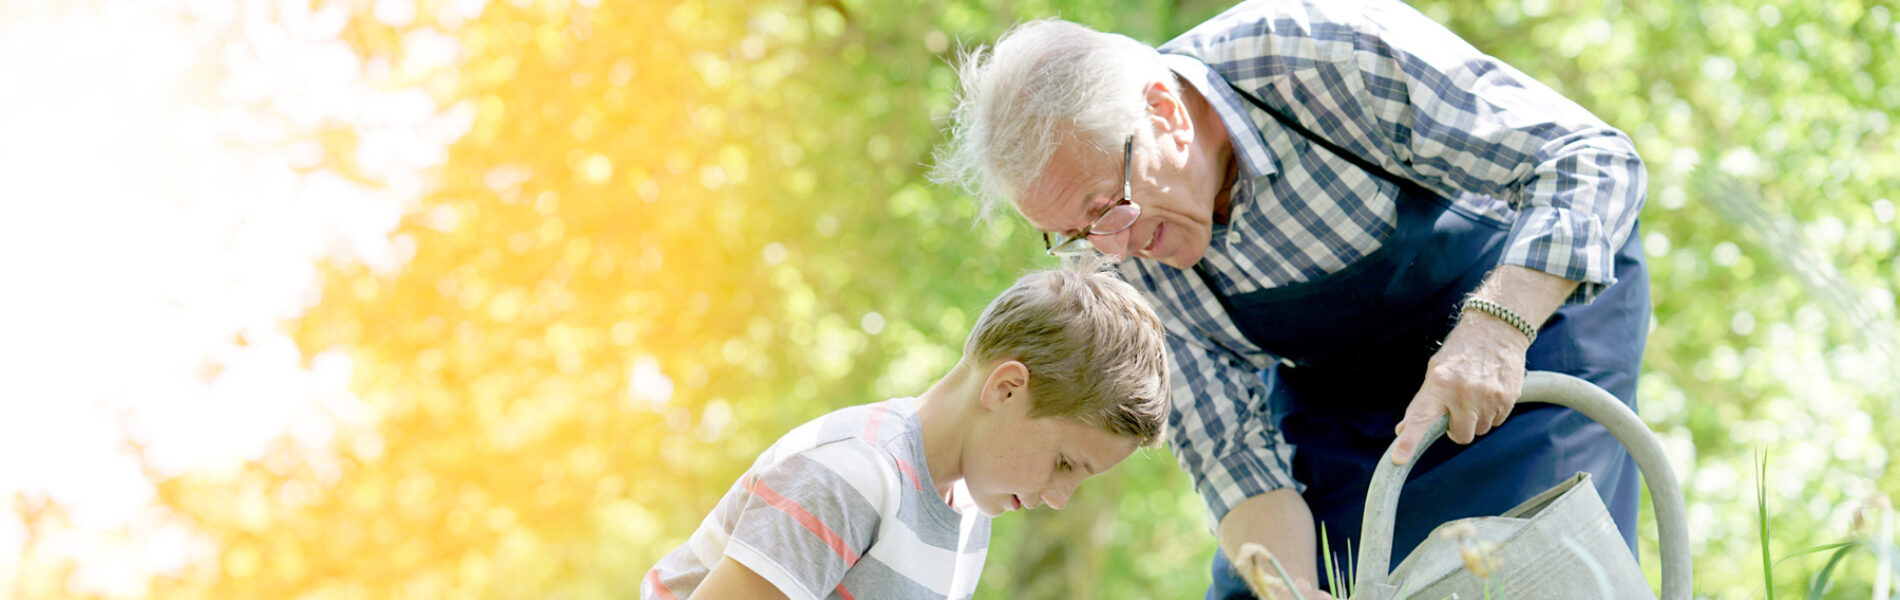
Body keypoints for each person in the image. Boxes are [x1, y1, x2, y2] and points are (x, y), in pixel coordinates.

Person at [930, 1, 1650, 598]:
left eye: (1105, 207)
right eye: (1075, 235)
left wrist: (1496, 327)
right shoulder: (1115, 257)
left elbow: (1590, 159)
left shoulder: (1315, 52)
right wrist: (1291, 590)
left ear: (1164, 114)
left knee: (1507, 572)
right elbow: (1233, 452)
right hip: (1347, 392)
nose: (1111, 252)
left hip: (1531, 324)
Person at [641, 257, 1172, 600]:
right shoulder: (851, 475)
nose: (1059, 498)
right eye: (1064, 464)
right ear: (1006, 389)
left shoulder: (967, 515)